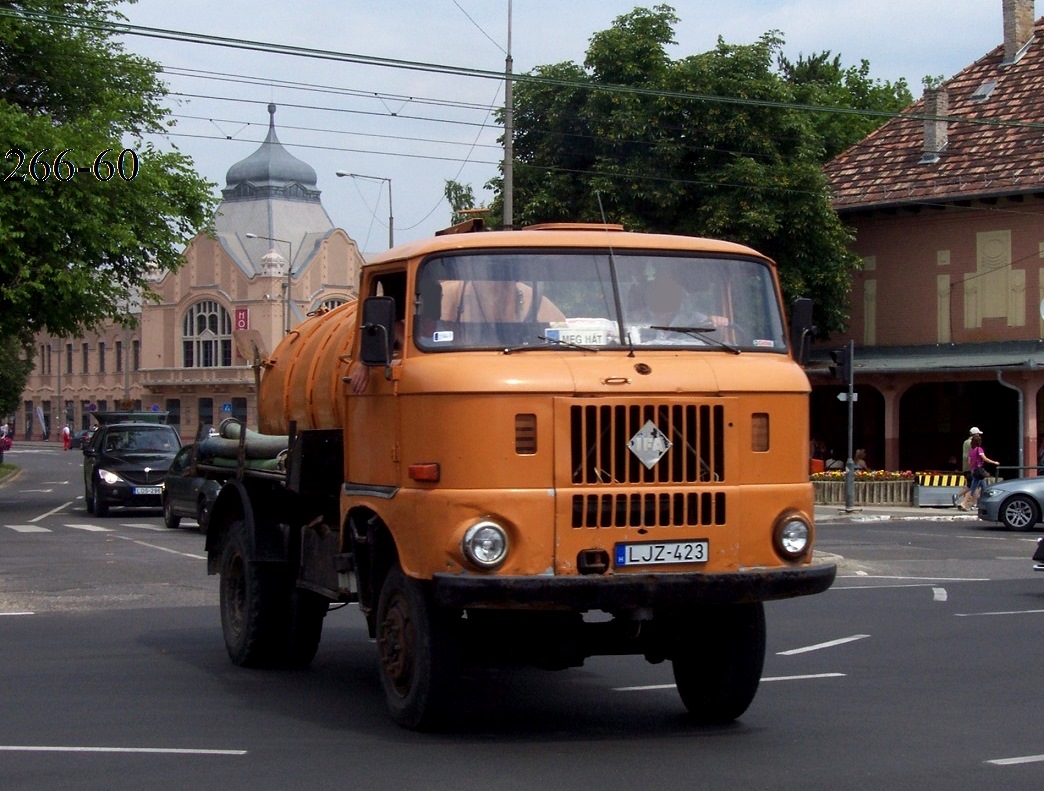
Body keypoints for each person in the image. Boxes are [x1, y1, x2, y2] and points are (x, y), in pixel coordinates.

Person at [960, 433, 999, 511]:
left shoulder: (971, 451)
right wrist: (994, 462)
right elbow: (984, 458)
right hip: (979, 471)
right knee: (973, 488)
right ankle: (964, 503)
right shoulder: (979, 449)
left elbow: (969, 462)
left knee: (984, 488)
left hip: (974, 471)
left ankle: (983, 504)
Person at [953, 427, 981, 507]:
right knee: (975, 486)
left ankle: (959, 497)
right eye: (978, 434)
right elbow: (972, 456)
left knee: (972, 485)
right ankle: (973, 504)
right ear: (975, 434)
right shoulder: (972, 444)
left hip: (966, 467)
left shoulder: (965, 442)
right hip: (971, 467)